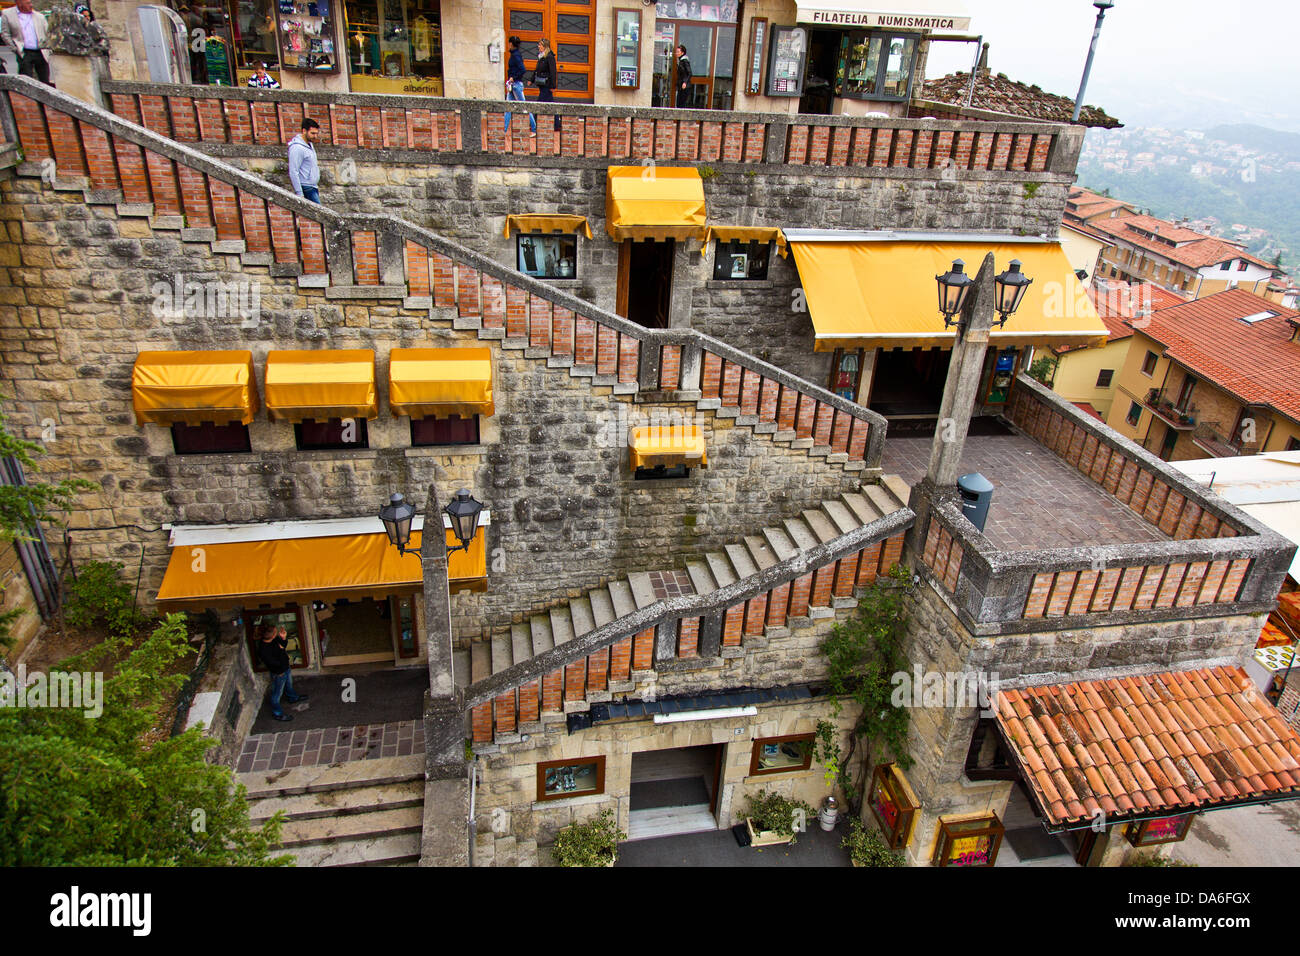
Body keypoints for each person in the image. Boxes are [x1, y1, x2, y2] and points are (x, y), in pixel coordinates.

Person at [256, 623, 308, 722]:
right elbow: (273, 663)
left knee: (289, 684)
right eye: (275, 632)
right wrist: (281, 650)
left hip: (285, 667)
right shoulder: (263, 650)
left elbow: (283, 645)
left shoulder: (274, 640)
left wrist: (283, 638)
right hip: (279, 672)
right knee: (277, 693)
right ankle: (277, 713)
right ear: (271, 635)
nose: (277, 633)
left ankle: (292, 697)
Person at [1, 0, 52, 87]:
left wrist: (49, 49)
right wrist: (14, 47)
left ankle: (43, 100)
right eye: (28, 3)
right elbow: (5, 33)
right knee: (26, 81)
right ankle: (28, 99)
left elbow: (48, 33)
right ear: (19, 3)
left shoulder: (39, 17)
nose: (31, 5)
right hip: (24, 52)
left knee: (45, 80)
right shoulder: (7, 14)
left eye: (31, 2)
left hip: (41, 52)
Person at [503, 35, 535, 135]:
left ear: (511, 44)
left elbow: (522, 69)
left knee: (524, 106)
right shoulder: (515, 54)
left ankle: (533, 128)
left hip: (516, 85)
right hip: (513, 85)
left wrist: (513, 77)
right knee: (508, 107)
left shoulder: (516, 56)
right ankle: (503, 130)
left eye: (509, 43)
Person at [288, 116, 321, 203]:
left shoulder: (309, 145)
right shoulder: (297, 148)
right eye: (312, 133)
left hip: (313, 186)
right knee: (320, 215)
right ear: (304, 131)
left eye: (317, 133)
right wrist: (299, 193)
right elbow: (293, 171)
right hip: (306, 187)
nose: (315, 136)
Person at [533, 38, 561, 132]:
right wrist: (531, 80)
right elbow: (537, 70)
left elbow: (553, 72)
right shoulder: (541, 57)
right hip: (542, 85)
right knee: (550, 104)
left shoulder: (549, 57)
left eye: (540, 45)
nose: (538, 47)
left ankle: (534, 123)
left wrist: (553, 86)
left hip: (547, 85)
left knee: (539, 104)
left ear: (544, 47)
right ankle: (557, 124)